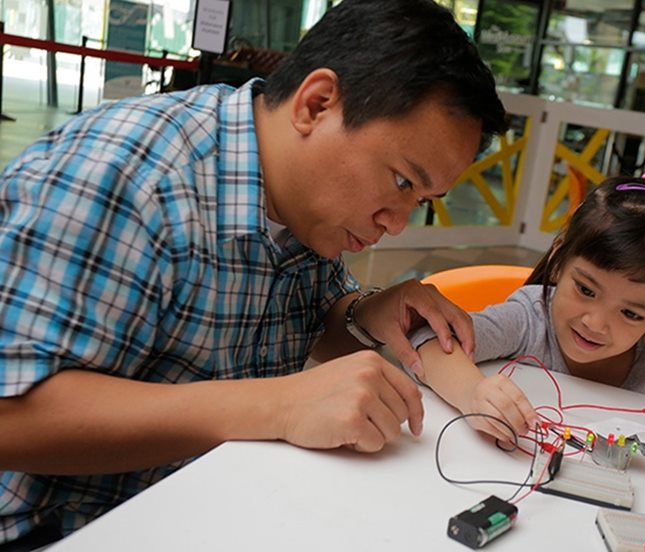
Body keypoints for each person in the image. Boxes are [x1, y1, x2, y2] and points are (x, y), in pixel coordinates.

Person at [0, 0, 509, 546]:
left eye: (423, 200)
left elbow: (305, 312)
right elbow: (14, 416)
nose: (397, 224)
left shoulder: (298, 196)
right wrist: (278, 405)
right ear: (316, 104)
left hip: (220, 506)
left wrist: (366, 312)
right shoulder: (130, 174)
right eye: (404, 182)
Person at [412, 174, 645, 444]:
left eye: (631, 314)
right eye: (586, 290)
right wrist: (473, 392)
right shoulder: (528, 319)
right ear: (557, 262)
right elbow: (428, 339)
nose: (595, 323)